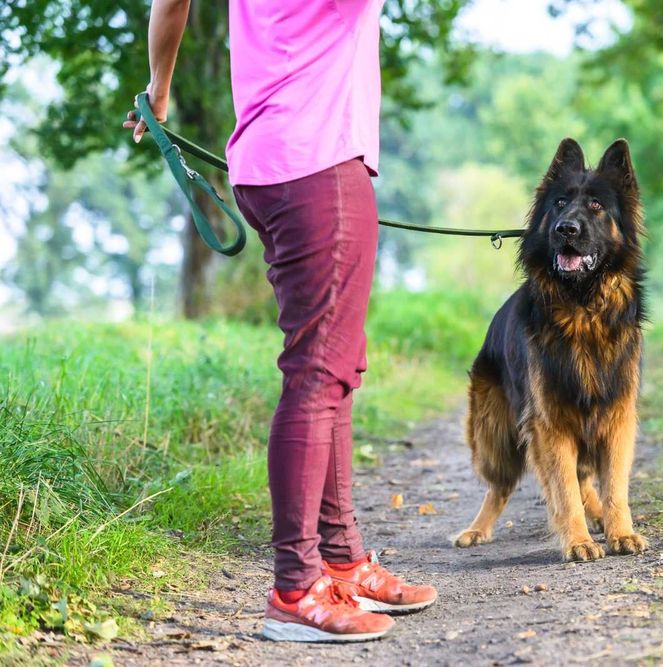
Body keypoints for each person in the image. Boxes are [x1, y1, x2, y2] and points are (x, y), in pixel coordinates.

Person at [123, 0, 437, 643]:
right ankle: (296, 589)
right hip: (317, 164)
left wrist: (159, 92)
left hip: (274, 161)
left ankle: (341, 556)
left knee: (335, 367)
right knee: (320, 374)